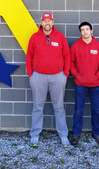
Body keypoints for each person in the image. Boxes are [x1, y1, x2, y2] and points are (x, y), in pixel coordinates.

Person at [26, 13, 70, 147]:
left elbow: (67, 56)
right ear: (41, 23)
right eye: (44, 21)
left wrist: (65, 74)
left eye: (49, 21)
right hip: (38, 76)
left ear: (53, 22)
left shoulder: (60, 37)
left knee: (59, 107)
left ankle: (63, 135)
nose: (47, 23)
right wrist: (30, 74)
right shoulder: (34, 37)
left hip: (58, 76)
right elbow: (29, 56)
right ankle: (34, 134)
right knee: (37, 107)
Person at [70, 22, 99, 146]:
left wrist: (97, 76)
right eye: (82, 30)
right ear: (80, 32)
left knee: (96, 109)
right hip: (80, 83)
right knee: (78, 110)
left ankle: (97, 132)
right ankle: (76, 133)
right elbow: (70, 63)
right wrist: (77, 75)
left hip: (96, 84)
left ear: (91, 31)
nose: (85, 32)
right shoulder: (75, 46)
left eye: (87, 29)